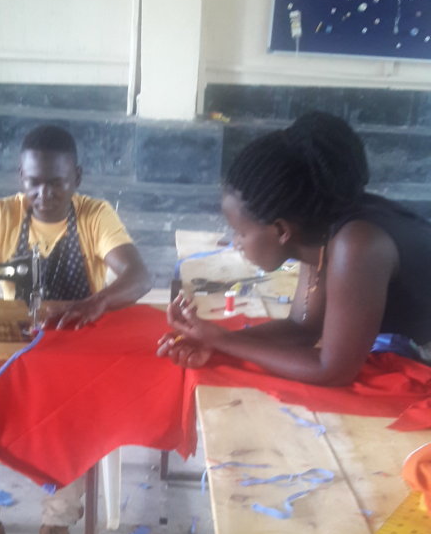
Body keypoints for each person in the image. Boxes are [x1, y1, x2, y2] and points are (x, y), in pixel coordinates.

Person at [0, 124, 151, 534]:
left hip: (73, 353)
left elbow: (139, 276)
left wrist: (91, 304)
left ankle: (57, 521)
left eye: (57, 183)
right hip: (13, 350)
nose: (44, 194)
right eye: (34, 183)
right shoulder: (2, 214)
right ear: (20, 178)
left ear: (76, 177)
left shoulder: (95, 216)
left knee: (73, 413)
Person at [157, 111, 431, 384]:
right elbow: (302, 328)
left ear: (282, 230)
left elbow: (333, 371)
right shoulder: (320, 227)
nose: (236, 243)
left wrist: (223, 341)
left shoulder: (357, 245)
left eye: (241, 232)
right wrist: (214, 342)